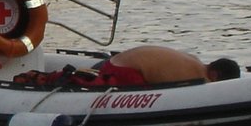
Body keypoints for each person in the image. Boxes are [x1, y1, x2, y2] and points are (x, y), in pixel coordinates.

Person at [101, 45, 240, 85]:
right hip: (121, 71)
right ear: (214, 75)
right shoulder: (197, 77)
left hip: (114, 61)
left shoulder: (194, 60)